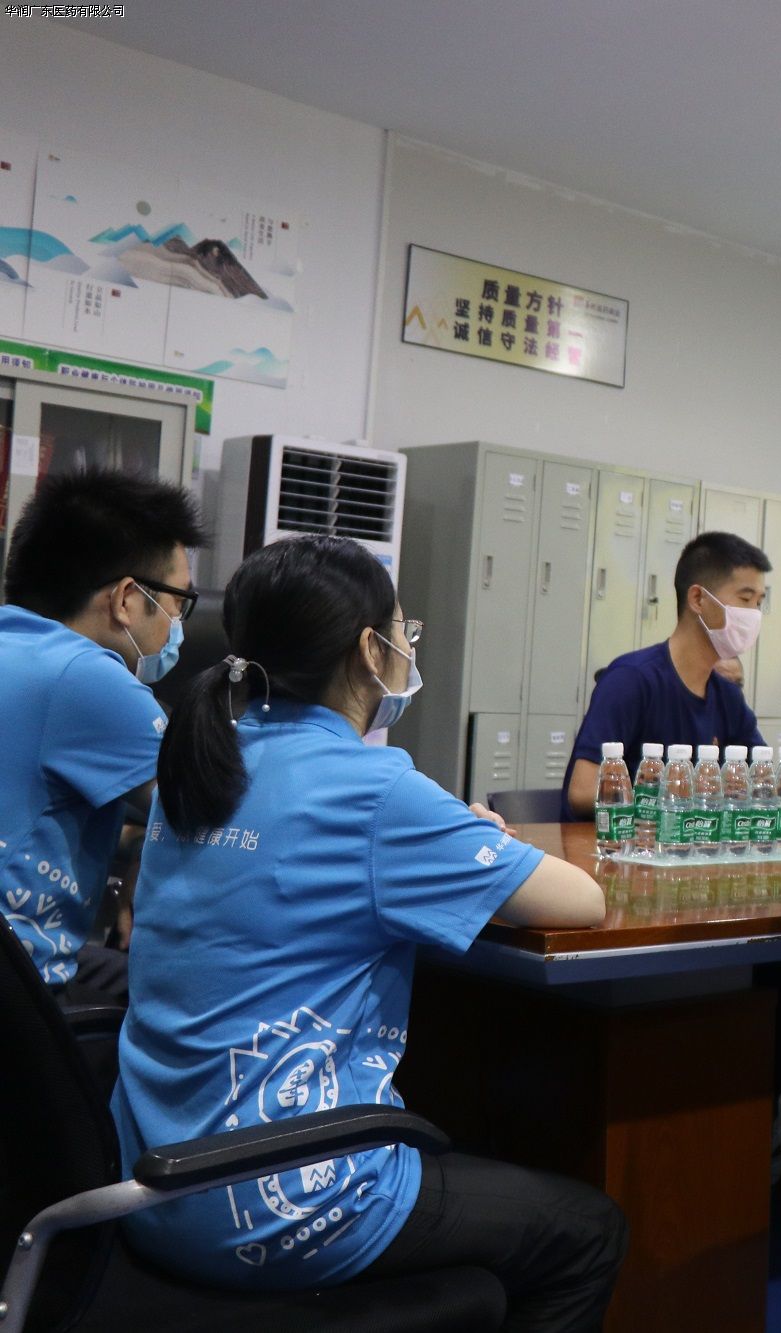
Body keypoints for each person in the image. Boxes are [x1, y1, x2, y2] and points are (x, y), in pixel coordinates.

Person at [111, 535, 626, 1325]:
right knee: (588, 1231)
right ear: (368, 650)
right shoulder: (374, 787)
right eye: (402, 631)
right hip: (282, 1202)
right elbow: (581, 900)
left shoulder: (202, 762)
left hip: (150, 1186)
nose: (408, 647)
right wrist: (472, 839)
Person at [0, 467, 204, 1001]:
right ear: (126, 599)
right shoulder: (85, 676)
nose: (176, 625)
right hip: (20, 987)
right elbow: (209, 815)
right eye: (178, 603)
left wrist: (137, 844)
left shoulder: (16, 645)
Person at [566, 531, 770, 817]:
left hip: (695, 840)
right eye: (745, 599)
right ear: (698, 599)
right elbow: (583, 791)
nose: (754, 615)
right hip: (619, 842)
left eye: (759, 603)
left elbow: (763, 785)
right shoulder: (630, 680)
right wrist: (677, 796)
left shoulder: (728, 697)